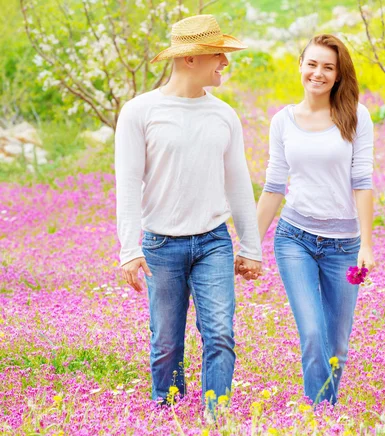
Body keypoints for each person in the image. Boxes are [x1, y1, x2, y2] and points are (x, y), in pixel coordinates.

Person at [114, 14, 262, 410]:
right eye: (218, 54)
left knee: (220, 334)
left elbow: (238, 183)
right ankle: (168, 413)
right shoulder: (139, 112)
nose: (225, 63)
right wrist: (129, 249)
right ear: (190, 59)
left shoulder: (224, 115)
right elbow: (127, 183)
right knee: (165, 341)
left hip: (214, 241)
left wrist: (251, 246)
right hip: (161, 244)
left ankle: (217, 418)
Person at [253, 34, 375, 405]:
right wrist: (249, 245)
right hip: (295, 239)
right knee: (311, 333)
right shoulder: (283, 121)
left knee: (337, 342)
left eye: (328, 67)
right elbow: (274, 185)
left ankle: (325, 410)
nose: (318, 73)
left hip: (344, 245)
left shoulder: (356, 115)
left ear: (338, 75)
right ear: (300, 66)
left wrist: (367, 244)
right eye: (312, 64)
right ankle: (320, 415)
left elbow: (363, 180)